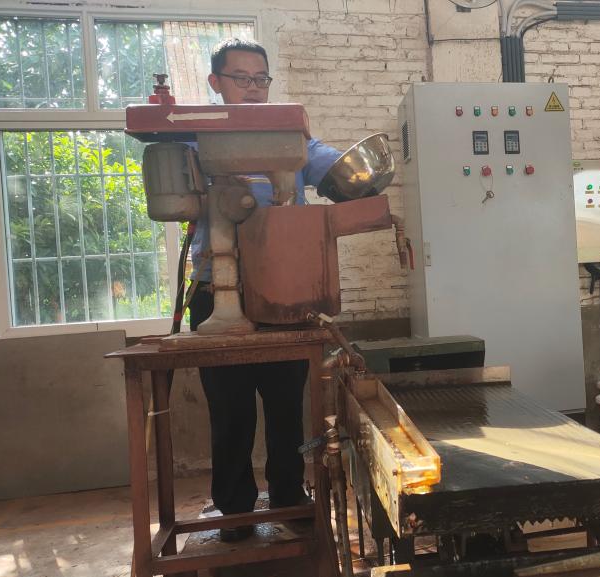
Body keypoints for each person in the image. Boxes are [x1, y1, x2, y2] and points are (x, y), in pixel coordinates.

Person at [187, 38, 342, 542]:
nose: (253, 88)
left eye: (261, 79)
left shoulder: (290, 140)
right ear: (216, 83)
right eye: (241, 78)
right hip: (216, 291)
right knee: (229, 413)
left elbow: (335, 167)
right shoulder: (194, 141)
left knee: (286, 409)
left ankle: (290, 499)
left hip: (284, 293)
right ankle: (235, 512)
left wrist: (357, 174)